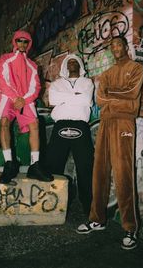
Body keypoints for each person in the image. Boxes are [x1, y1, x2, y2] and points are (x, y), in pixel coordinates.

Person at [76, 36, 143, 250]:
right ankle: (97, 218)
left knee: (123, 173)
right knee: (100, 171)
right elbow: (99, 99)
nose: (116, 48)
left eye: (119, 44)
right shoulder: (105, 74)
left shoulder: (136, 68)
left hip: (124, 123)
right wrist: (118, 100)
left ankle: (130, 227)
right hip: (105, 123)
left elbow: (132, 94)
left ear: (126, 47)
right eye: (112, 46)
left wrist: (111, 98)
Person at [0, 30, 54, 184]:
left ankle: (34, 166)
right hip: (8, 97)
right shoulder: (5, 59)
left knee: (34, 124)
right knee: (4, 122)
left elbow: (36, 87)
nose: (22, 44)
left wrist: (24, 100)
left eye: (25, 41)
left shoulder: (33, 65)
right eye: (19, 40)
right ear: (15, 42)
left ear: (29, 44)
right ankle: (9, 164)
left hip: (25, 100)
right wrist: (14, 98)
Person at [45, 54, 94, 215]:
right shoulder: (57, 83)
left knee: (85, 167)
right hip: (61, 125)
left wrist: (65, 99)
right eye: (69, 62)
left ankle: (89, 208)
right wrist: (75, 97)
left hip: (81, 125)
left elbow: (87, 100)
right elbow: (53, 99)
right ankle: (52, 205)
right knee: (53, 165)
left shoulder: (87, 82)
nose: (72, 64)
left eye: (75, 62)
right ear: (66, 66)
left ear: (80, 65)